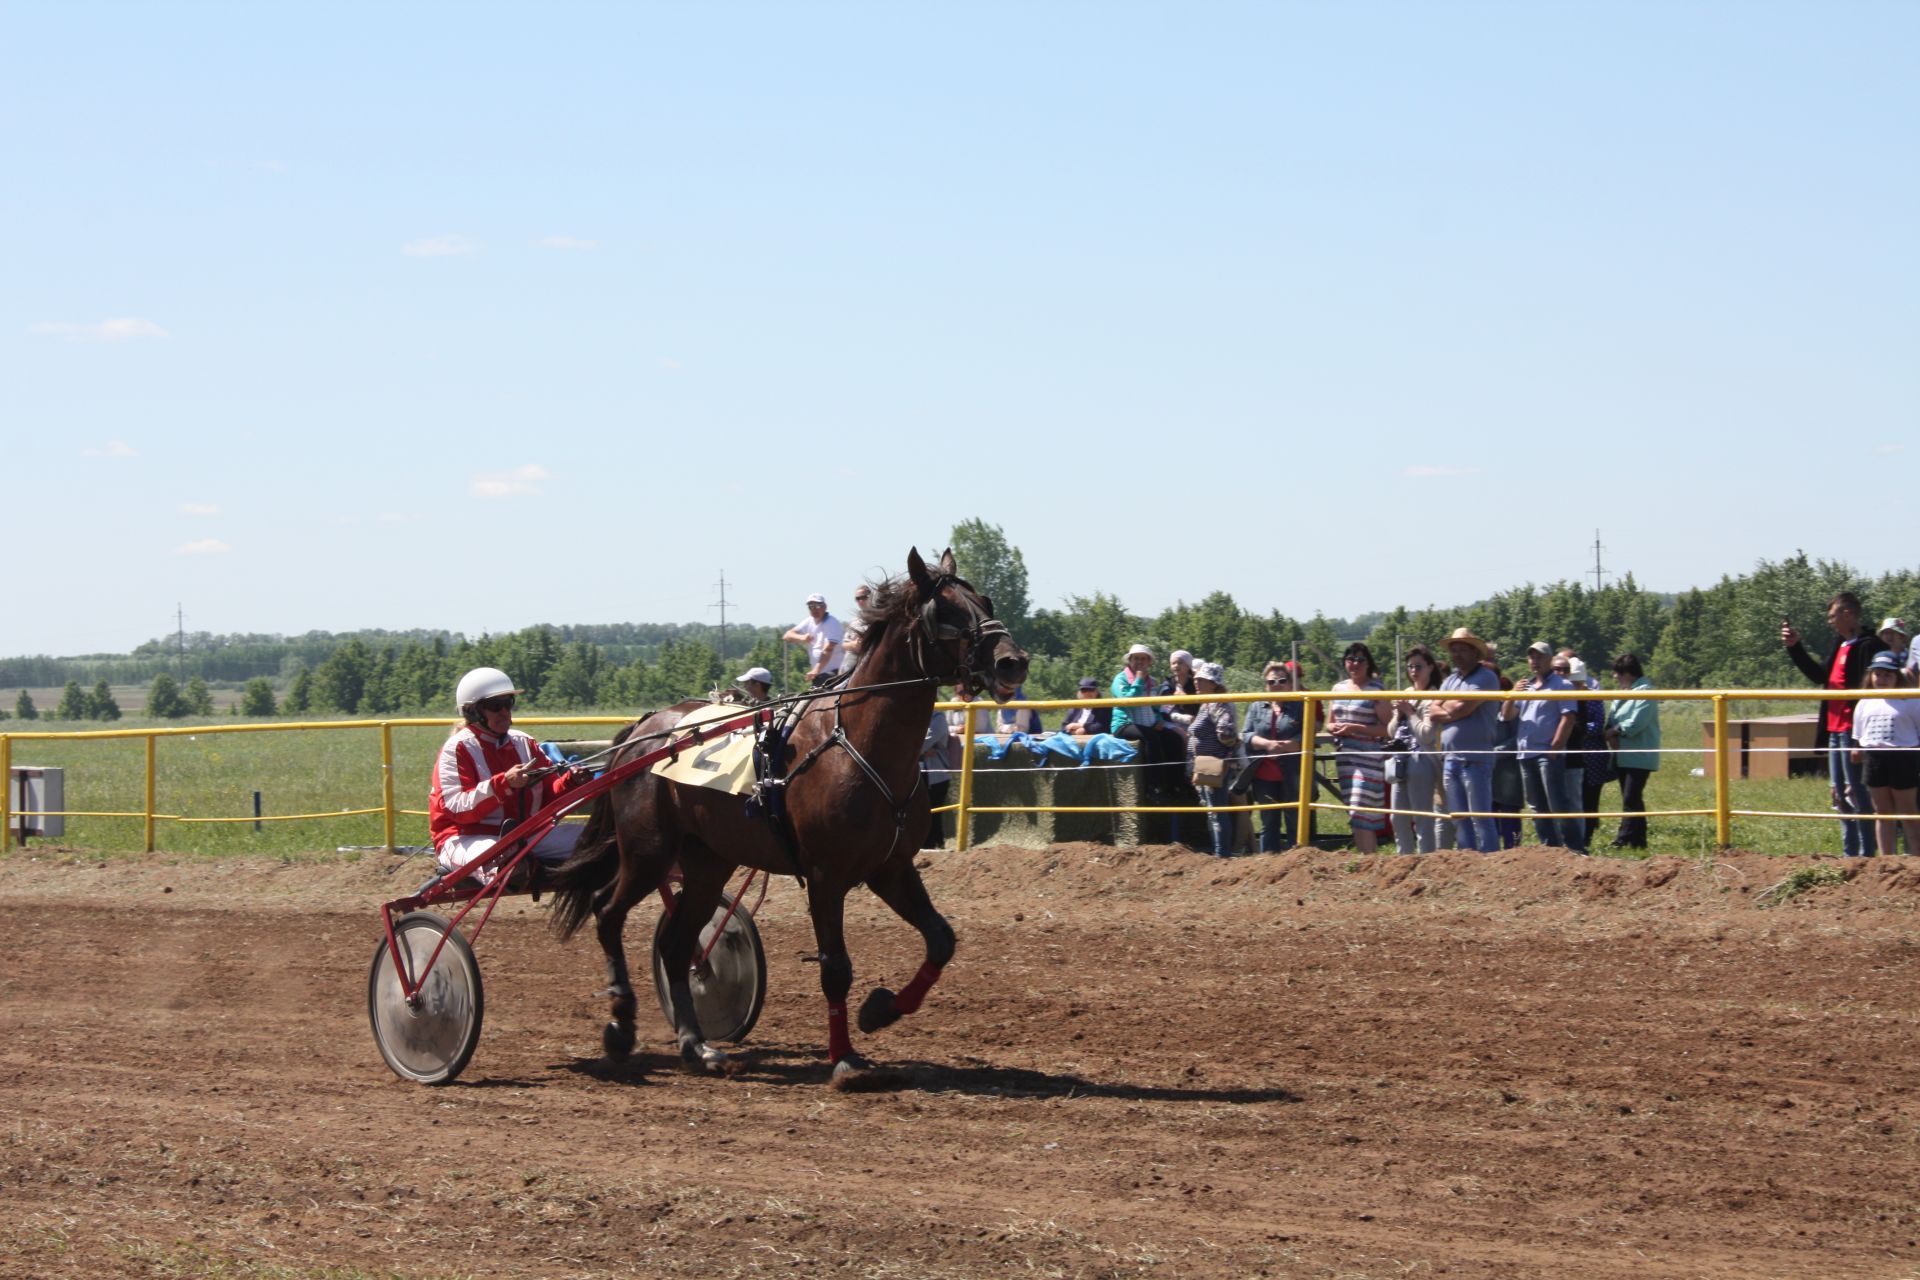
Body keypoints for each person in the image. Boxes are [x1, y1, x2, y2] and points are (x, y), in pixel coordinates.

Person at [429, 666, 590, 883]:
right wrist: (504, 784)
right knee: (504, 861)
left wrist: (571, 782)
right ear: (473, 712)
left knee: (599, 841)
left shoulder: (524, 742)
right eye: (495, 706)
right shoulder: (456, 749)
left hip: (524, 834)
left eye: (508, 703)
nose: (504, 712)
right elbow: (457, 808)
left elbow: (550, 794)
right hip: (465, 838)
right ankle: (515, 868)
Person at [1783, 592, 1887, 856]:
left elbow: (1869, 695)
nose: (1830, 622)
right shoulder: (1840, 643)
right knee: (1839, 794)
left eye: (1833, 616)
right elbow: (1820, 676)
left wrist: (1859, 739)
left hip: (1853, 731)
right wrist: (1795, 647)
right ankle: (1849, 854)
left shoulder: (1869, 646)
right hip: (1833, 729)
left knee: (1859, 794)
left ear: (1848, 614)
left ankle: (1866, 856)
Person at [1504, 641, 1584, 852]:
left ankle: (1575, 848)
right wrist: (1512, 695)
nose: (1535, 661)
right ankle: (1549, 849)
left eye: (1539, 657)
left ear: (1549, 659)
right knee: (1537, 807)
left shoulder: (1562, 685)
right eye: (1531, 657)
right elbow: (1507, 715)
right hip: (1525, 753)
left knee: (1557, 804)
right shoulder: (1525, 686)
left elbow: (1568, 717)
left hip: (1547, 753)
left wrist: (1555, 747)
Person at [1431, 628, 1502, 853]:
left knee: (1480, 818)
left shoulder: (1486, 677)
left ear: (1474, 652)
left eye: (1462, 649)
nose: (1457, 654)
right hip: (1451, 757)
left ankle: (1490, 863)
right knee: (1459, 818)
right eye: (1454, 650)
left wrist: (1449, 708)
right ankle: (1467, 862)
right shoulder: (1450, 680)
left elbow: (1464, 707)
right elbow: (1432, 709)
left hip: (1476, 757)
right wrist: (1453, 709)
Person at [1853, 651, 1920, 859]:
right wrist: (1857, 747)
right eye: (1878, 674)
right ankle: (1886, 860)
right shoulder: (1865, 702)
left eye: (1888, 675)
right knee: (1882, 811)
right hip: (1875, 758)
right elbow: (1858, 733)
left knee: (1907, 811)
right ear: (1871, 676)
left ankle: (1917, 858)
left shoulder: (1910, 701)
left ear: (1897, 677)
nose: (1882, 680)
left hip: (1903, 756)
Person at [1388, 644, 1454, 854]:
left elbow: (1426, 733)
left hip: (1423, 760)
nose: (1413, 671)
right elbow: (1391, 732)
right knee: (1397, 817)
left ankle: (1426, 862)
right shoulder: (1407, 692)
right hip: (1401, 759)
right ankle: (1404, 859)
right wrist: (1398, 714)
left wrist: (1409, 712)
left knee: (1422, 817)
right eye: (1410, 667)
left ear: (1430, 668)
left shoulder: (1434, 696)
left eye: (1418, 666)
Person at [1327, 642, 1390, 853]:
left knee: (1360, 807)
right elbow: (1329, 721)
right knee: (1354, 811)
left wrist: (1356, 727)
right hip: (1345, 757)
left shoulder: (1376, 689)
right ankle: (1364, 859)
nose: (1355, 664)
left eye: (1360, 660)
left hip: (1368, 758)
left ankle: (1370, 859)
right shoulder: (1337, 689)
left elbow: (1387, 729)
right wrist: (1334, 728)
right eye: (1350, 659)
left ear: (1368, 663)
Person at [1243, 661, 1304, 852]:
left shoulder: (1301, 705)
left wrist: (1290, 745)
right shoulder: (1256, 707)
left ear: (1290, 684)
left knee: (1294, 820)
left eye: (1282, 680)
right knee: (1268, 823)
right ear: (1265, 685)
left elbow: (1307, 732)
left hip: (1292, 773)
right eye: (1271, 681)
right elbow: (1246, 735)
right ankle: (1268, 864)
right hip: (1263, 775)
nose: (1276, 684)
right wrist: (1267, 744)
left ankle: (1298, 862)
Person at [1111, 644, 1185, 796]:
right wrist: (1138, 681)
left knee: (1174, 738)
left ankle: (1176, 783)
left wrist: (1158, 719)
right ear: (1129, 660)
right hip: (1124, 724)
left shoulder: (1152, 681)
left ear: (1149, 662)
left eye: (1143, 659)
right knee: (1151, 738)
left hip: (1147, 723)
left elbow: (1155, 706)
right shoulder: (1120, 679)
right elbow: (1126, 700)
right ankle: (1153, 786)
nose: (1140, 662)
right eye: (1136, 658)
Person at [1603, 653, 1660, 849]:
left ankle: (1623, 839)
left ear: (1627, 673)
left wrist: (1613, 732)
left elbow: (1636, 723)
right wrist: (1610, 731)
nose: (1615, 677)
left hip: (1640, 756)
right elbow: (1613, 716)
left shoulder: (1646, 692)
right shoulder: (1623, 693)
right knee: (1633, 799)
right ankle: (1638, 841)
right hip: (1622, 755)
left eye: (1617, 673)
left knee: (1630, 798)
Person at [1186, 661, 1241, 857]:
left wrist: (1222, 752)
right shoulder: (1208, 702)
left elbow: (1226, 732)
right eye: (1196, 679)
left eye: (1202, 679)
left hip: (1214, 764)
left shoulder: (1218, 703)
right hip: (1206, 764)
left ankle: (1222, 853)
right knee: (1213, 810)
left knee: (1217, 810)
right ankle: (1220, 851)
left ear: (1213, 683)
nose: (1197, 682)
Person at [1560, 656, 1614, 846]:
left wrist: (1575, 727)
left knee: (1589, 799)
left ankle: (1586, 838)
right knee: (1573, 797)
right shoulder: (1564, 696)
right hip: (1576, 753)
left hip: (1592, 755)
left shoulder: (1592, 697)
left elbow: (1597, 724)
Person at [783, 593, 847, 688]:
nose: (814, 609)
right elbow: (787, 635)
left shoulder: (832, 623)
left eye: (817, 606)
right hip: (820, 676)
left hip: (836, 673)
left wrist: (816, 670)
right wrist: (802, 638)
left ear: (825, 607)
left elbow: (828, 649)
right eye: (811, 606)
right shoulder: (809, 621)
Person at [920, 708, 952, 848]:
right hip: (920, 772)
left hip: (936, 775)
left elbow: (921, 743)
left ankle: (936, 845)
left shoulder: (938, 718)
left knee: (933, 813)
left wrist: (917, 750)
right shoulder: (916, 716)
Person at [1877, 617, 1913, 685]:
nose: (1889, 636)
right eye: (1885, 633)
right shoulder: (1877, 659)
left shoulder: (1910, 658)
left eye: (1892, 633)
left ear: (1902, 637)